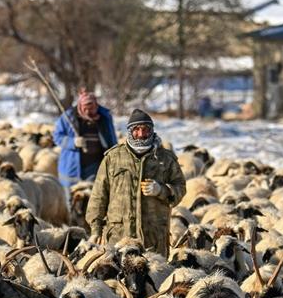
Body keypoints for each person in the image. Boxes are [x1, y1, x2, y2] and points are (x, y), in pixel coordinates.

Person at [85, 109, 186, 256]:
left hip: (153, 238)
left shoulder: (165, 159)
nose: (141, 134)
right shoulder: (113, 158)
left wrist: (161, 190)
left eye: (145, 129)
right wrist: (95, 229)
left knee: (154, 275)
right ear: (130, 131)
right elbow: (99, 195)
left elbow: (180, 187)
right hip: (118, 236)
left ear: (151, 131)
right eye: (136, 129)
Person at [53, 86, 117, 187]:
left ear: (96, 105)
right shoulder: (68, 117)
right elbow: (57, 137)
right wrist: (72, 142)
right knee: (72, 200)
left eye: (90, 108)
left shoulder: (104, 118)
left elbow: (112, 140)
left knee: (92, 199)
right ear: (80, 105)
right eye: (85, 108)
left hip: (95, 166)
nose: (87, 112)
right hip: (71, 168)